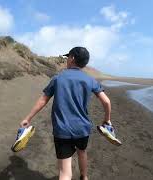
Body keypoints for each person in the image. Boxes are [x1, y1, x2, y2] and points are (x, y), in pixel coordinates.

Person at [19, 47, 114, 180]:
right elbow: (107, 102)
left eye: (68, 57)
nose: (67, 60)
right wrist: (107, 119)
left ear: (73, 58)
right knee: (82, 152)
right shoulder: (90, 80)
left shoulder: (58, 78)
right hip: (82, 128)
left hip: (62, 129)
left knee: (65, 172)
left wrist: (28, 118)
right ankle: (84, 176)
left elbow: (43, 101)